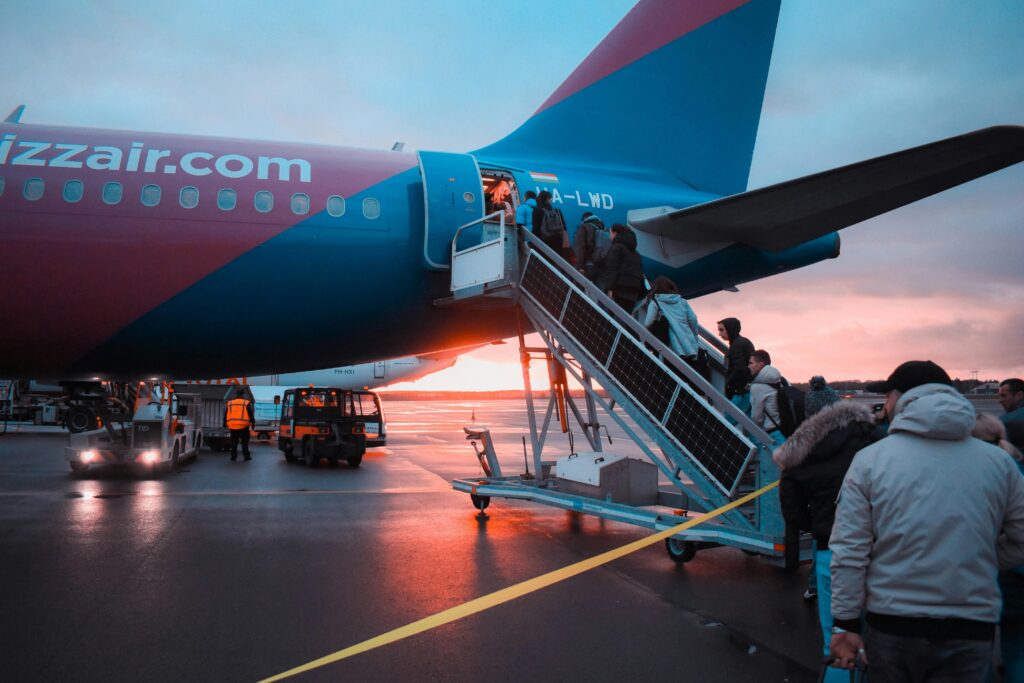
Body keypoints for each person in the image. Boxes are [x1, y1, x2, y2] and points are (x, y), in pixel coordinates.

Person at [829, 360, 1024, 681]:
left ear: (904, 398)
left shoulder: (870, 461)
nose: (885, 404)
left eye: (888, 395)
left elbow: (849, 550)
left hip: (892, 624)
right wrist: (975, 556)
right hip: (971, 626)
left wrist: (845, 623)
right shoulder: (999, 461)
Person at [774, 399, 878, 681]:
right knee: (878, 644)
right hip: (881, 552)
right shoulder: (878, 442)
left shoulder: (803, 453)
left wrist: (820, 527)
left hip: (830, 549)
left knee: (837, 642)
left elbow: (792, 511)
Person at [973, 413, 1024, 683]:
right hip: (1014, 566)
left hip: (998, 574)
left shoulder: (983, 471)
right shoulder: (1013, 464)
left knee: (981, 651)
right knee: (1016, 650)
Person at [641, 276, 702, 372]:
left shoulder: (655, 302)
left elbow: (648, 322)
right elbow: (693, 319)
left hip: (670, 345)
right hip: (688, 344)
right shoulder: (682, 301)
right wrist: (694, 336)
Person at [597, 224, 644, 313]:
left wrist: (610, 288)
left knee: (612, 319)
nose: (610, 236)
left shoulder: (616, 248)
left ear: (615, 233)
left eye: (610, 233)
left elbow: (612, 269)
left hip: (619, 290)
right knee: (625, 320)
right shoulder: (636, 253)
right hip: (633, 293)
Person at [748, 349, 786, 446]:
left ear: (760, 364)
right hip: (785, 430)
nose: (749, 366)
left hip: (772, 434)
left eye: (751, 363)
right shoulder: (779, 380)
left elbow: (757, 418)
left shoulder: (757, 386)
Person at [717, 317, 754, 415]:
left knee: (727, 422)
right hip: (748, 389)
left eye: (722, 330)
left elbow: (740, 368)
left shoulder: (737, 345)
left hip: (742, 391)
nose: (719, 334)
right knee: (751, 425)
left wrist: (729, 383)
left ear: (730, 329)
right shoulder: (740, 342)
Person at [531, 190, 568, 256]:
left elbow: (536, 229)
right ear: (548, 199)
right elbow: (564, 227)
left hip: (544, 242)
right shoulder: (557, 211)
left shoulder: (537, 211)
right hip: (557, 241)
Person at [224, 388, 255, 462]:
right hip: (244, 426)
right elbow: (250, 414)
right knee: (245, 442)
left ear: (236, 394)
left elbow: (226, 414)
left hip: (233, 426)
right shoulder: (246, 403)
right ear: (243, 394)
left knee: (234, 442)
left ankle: (233, 456)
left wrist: (224, 423)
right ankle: (246, 456)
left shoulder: (230, 403)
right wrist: (253, 423)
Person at [573, 212, 606, 279]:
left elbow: (580, 248)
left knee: (580, 287)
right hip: (600, 265)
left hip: (587, 265)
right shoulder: (602, 228)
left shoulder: (584, 227)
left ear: (584, 219)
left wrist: (580, 266)